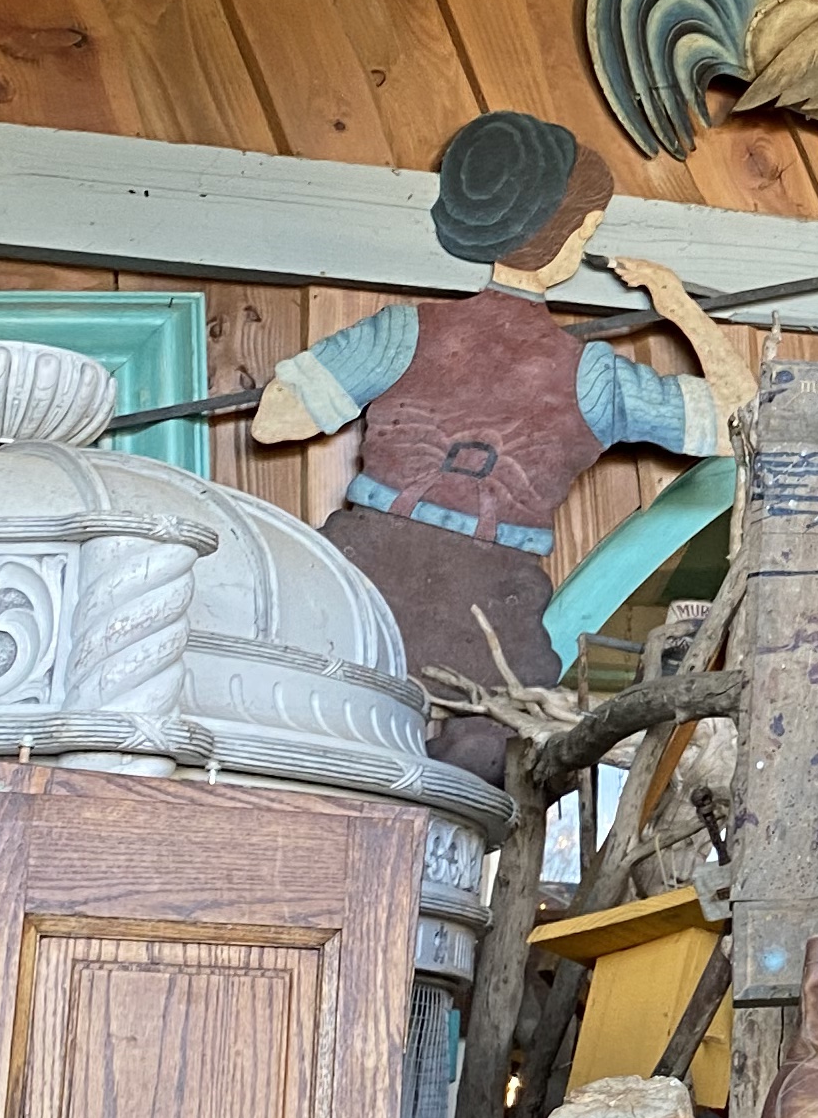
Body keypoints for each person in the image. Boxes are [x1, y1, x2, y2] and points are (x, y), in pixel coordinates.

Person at [250, 109, 754, 771]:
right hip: (490, 605)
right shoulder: (591, 376)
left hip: (364, 576)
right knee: (485, 766)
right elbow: (742, 417)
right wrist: (679, 306)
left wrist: (333, 369)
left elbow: (275, 421)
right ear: (567, 234)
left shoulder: (404, 332)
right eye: (587, 229)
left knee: (316, 744)